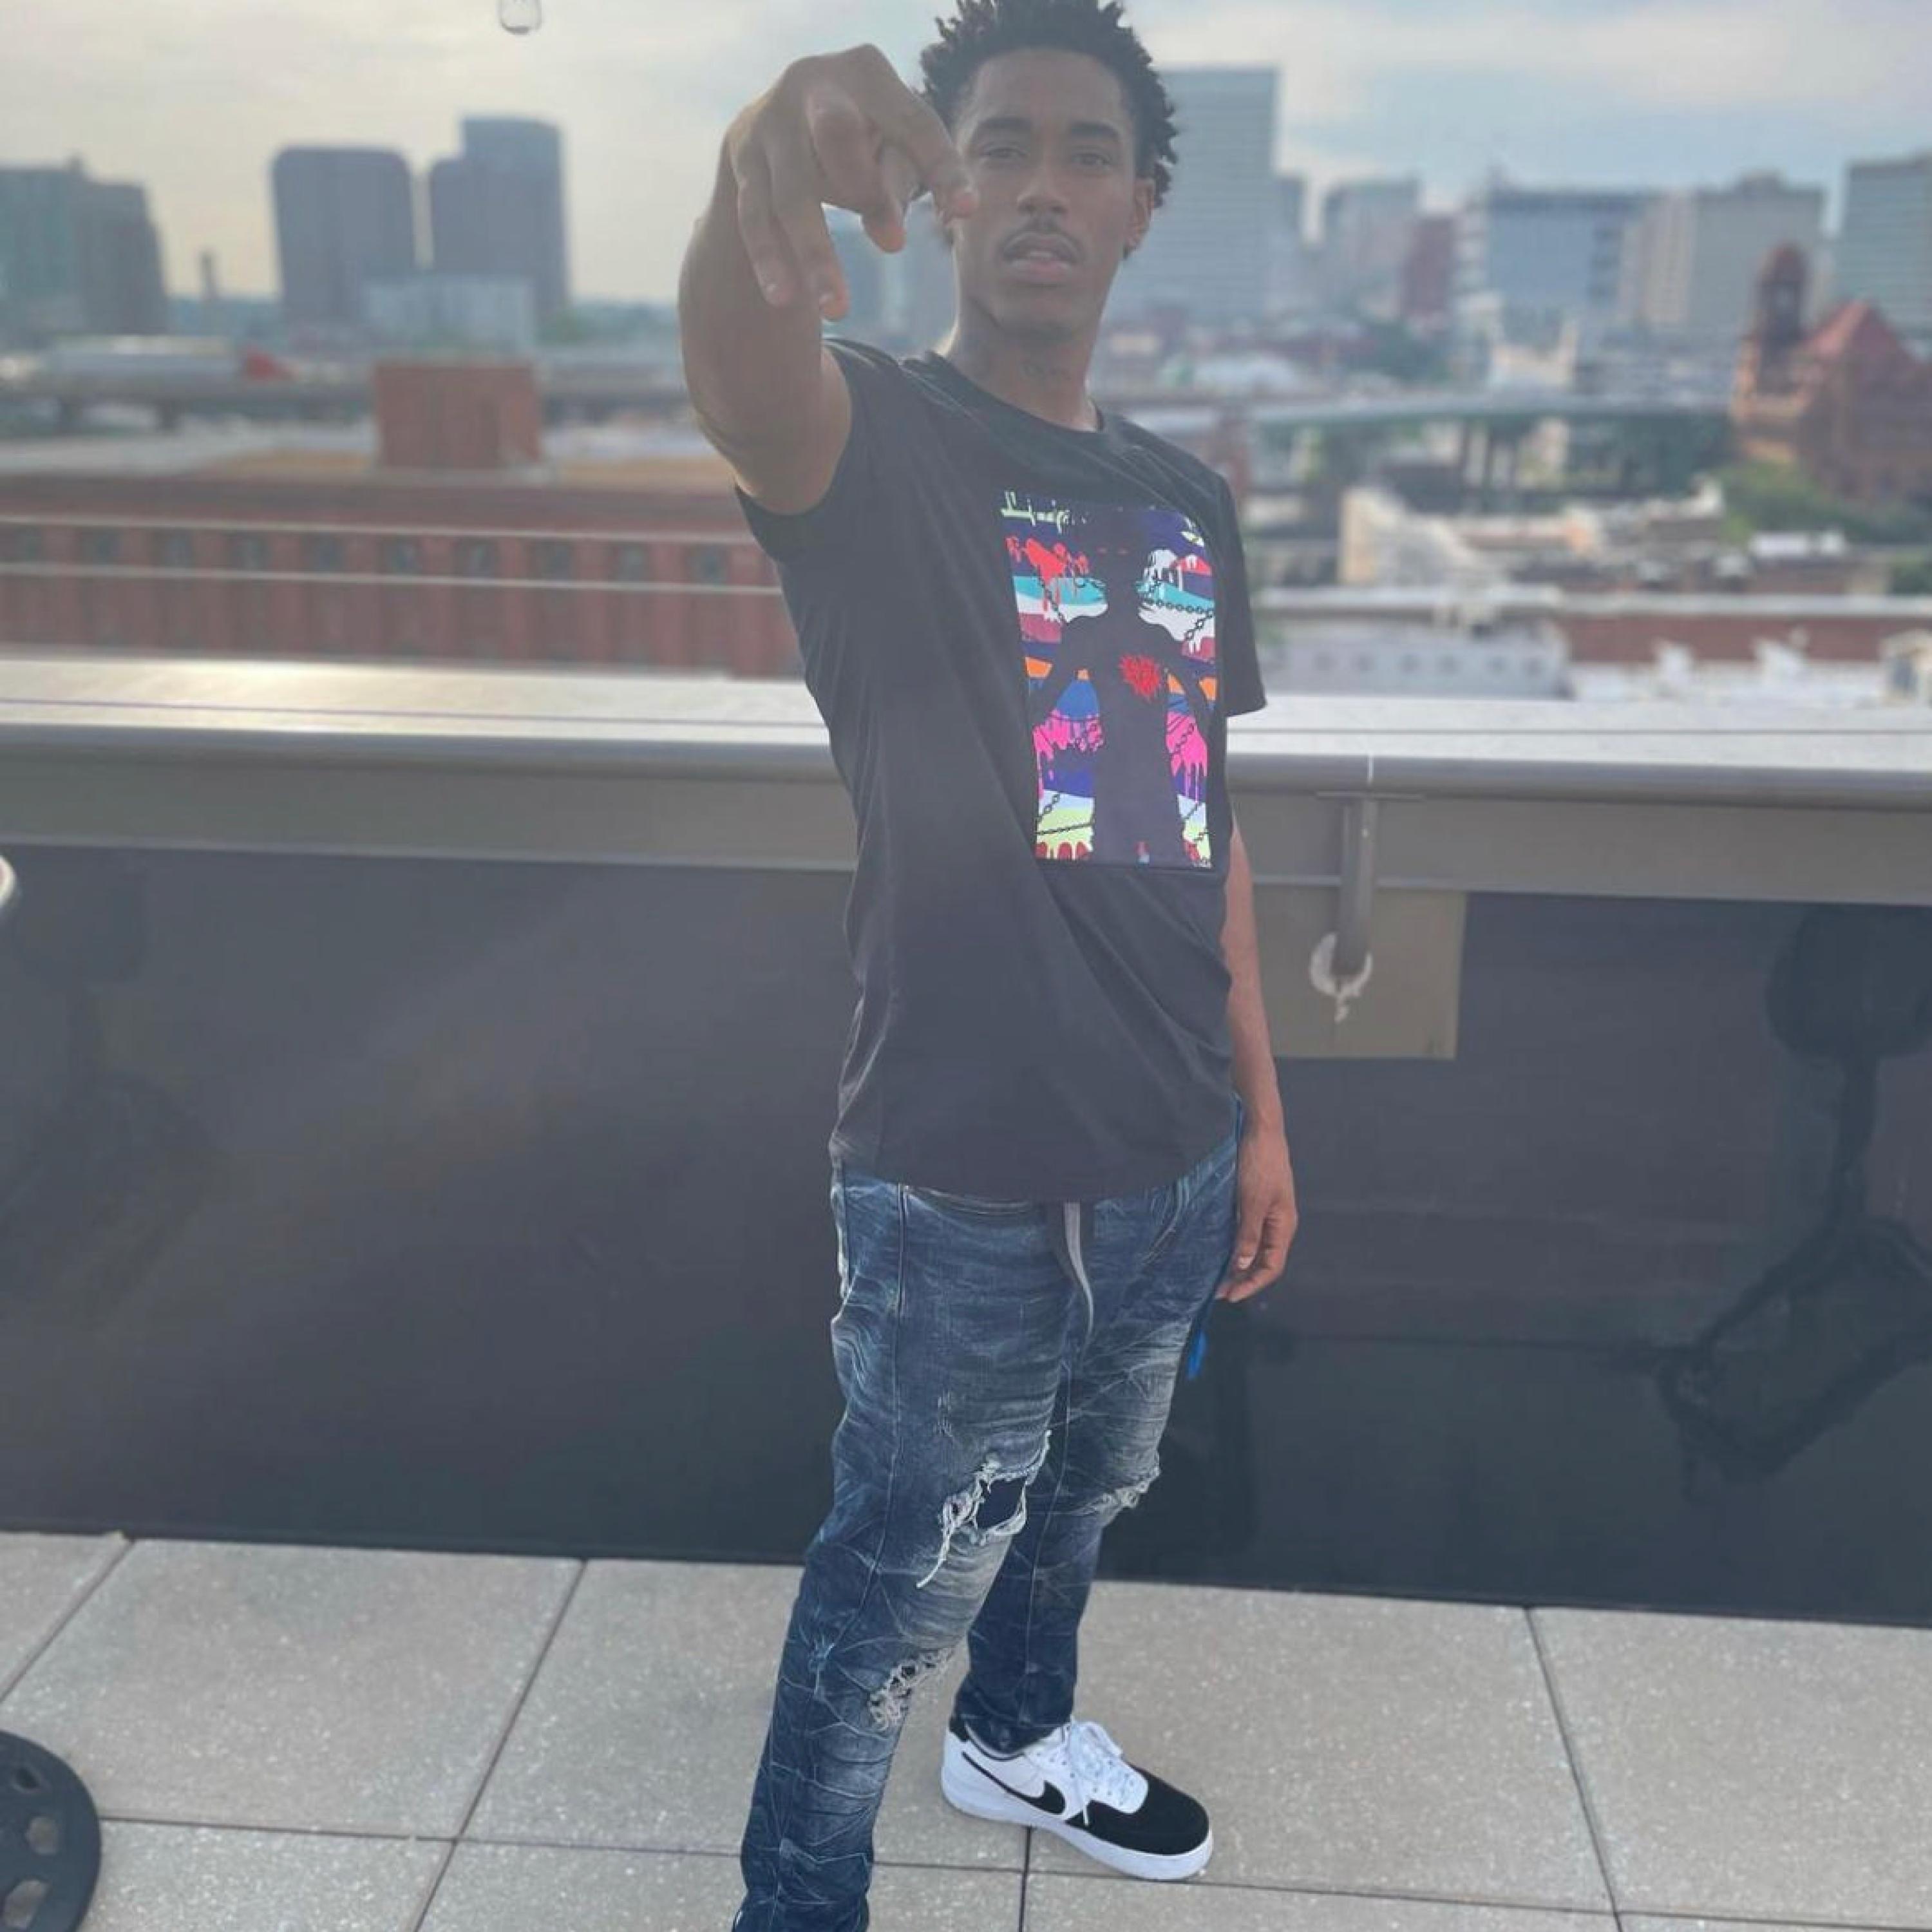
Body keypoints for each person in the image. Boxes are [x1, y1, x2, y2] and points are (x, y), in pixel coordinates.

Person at [677, 3, 1300, 1925]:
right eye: (1001, 146)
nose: (1042, 185)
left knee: (1084, 1504)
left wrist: (1264, 1120)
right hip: (960, 1176)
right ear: (944, 194)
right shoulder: (879, 443)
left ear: (1140, 207)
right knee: (887, 1591)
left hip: (1173, 1148)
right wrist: (758, 172)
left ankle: (1018, 1734)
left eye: (1085, 153)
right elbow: (746, 383)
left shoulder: (1182, 501)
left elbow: (1196, 828)